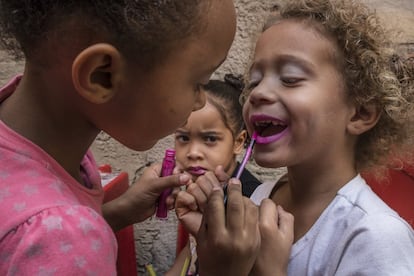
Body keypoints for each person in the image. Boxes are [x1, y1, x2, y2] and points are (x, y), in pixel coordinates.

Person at [176, 0, 414, 275]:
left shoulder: (376, 238)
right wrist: (211, 245)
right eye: (254, 81)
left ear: (359, 113)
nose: (257, 93)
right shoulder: (261, 197)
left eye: (290, 78)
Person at [0, 0, 237, 274]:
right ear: (102, 75)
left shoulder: (36, 146)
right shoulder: (64, 236)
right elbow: (59, 242)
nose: (200, 101)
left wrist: (117, 213)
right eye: (199, 83)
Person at [167, 74, 262, 275]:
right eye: (183, 137)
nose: (193, 152)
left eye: (210, 139)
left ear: (238, 142)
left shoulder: (249, 203)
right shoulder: (203, 189)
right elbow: (191, 251)